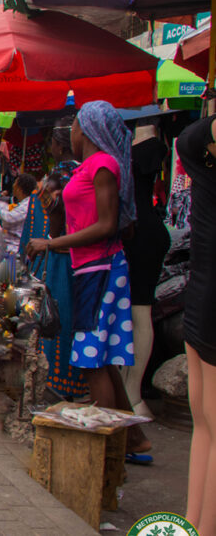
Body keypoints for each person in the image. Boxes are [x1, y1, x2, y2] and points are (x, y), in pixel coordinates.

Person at [26, 101, 150, 455]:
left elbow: (107, 225)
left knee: (90, 360)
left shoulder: (103, 165)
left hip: (102, 270)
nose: (73, 133)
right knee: (102, 359)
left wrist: (51, 243)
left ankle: (104, 451)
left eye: (77, 126)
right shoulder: (90, 166)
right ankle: (134, 440)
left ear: (89, 130)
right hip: (90, 268)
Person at [176, 115, 216, 534]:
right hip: (206, 296)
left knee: (204, 425)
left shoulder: (194, 144)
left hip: (202, 293)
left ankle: (195, 523)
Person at [121, 120, 171, 419]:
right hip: (133, 233)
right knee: (129, 313)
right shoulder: (128, 142)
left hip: (142, 236)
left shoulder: (151, 146)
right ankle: (127, 391)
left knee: (140, 312)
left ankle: (134, 393)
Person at [0, 173, 37, 256]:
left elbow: (9, 218)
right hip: (10, 247)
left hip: (14, 249)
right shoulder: (24, 203)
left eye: (15, 183)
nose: (13, 185)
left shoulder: (27, 205)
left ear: (20, 189)